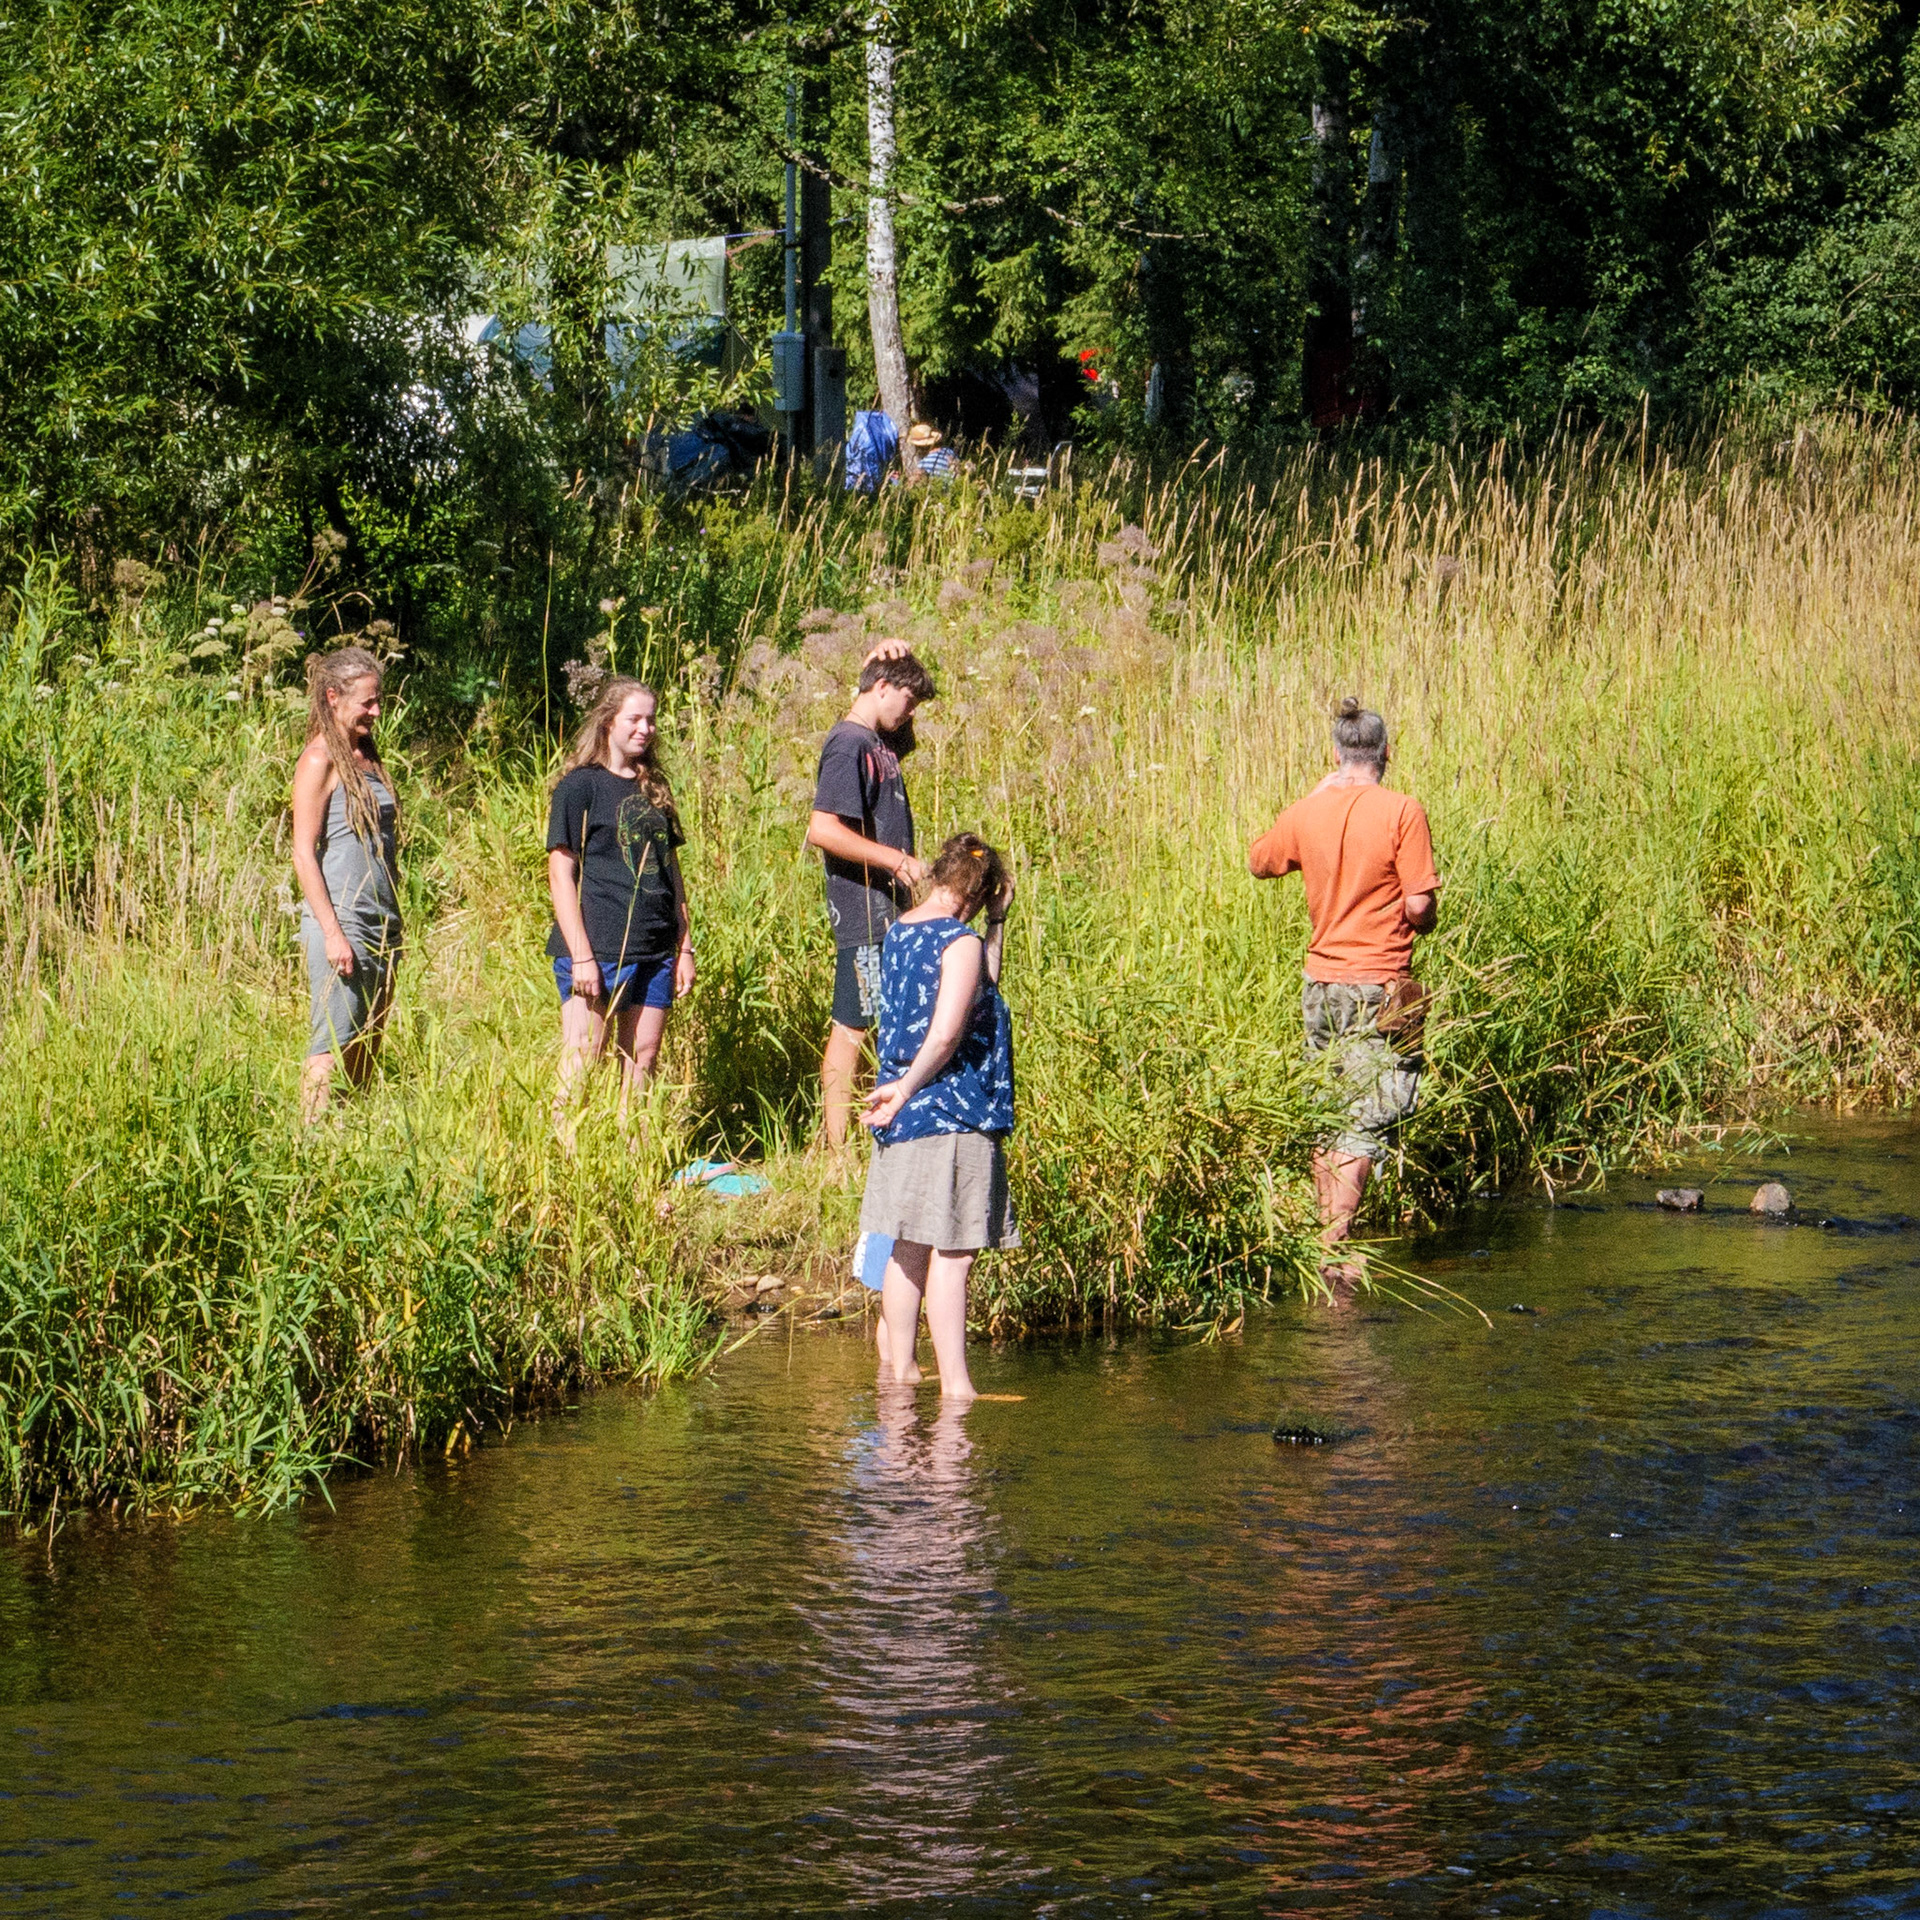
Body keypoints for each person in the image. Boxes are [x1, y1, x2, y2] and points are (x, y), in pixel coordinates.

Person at [1248, 698, 1439, 1283]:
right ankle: (1335, 1248)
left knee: (1327, 1108)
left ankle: (1322, 1240)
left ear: (1336, 754)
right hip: (1380, 984)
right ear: (1386, 753)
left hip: (1320, 983)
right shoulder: (1403, 810)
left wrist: (1310, 801)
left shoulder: (1309, 811)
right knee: (1369, 1112)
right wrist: (1424, 920)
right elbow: (1419, 904)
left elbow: (1260, 861)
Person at [861, 833, 1018, 1402]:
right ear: (979, 893)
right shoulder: (959, 941)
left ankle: (900, 1373)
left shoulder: (901, 931)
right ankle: (957, 1389)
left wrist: (995, 924)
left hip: (902, 1116)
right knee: (954, 1254)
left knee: (907, 1245)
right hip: (952, 1111)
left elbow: (981, 989)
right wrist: (907, 1089)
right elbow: (948, 1033)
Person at [546, 676, 695, 1136]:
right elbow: (561, 874)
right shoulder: (580, 787)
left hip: (655, 949)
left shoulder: (655, 787)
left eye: (651, 719)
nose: (645, 729)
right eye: (635, 719)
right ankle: (561, 1157)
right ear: (608, 721)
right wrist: (582, 956)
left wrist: (684, 946)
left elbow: (671, 872)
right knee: (584, 1057)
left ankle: (635, 1157)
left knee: (643, 1057)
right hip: (598, 948)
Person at [806, 650, 939, 1148]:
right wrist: (896, 861)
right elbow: (822, 829)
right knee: (853, 1026)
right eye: (908, 700)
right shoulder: (848, 743)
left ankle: (862, 1138)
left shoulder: (878, 742)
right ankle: (836, 1149)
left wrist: (883, 652)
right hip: (862, 910)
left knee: (876, 1024)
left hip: (887, 910)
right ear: (881, 687)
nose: (911, 712)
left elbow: (900, 729)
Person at [291, 646, 402, 1126]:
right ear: (333, 697)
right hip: (344, 919)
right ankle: (309, 1145)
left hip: (382, 921)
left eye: (379, 701)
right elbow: (303, 853)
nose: (376, 712)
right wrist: (334, 934)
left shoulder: (367, 757)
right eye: (367, 702)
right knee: (331, 1043)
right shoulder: (319, 759)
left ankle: (352, 1137)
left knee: (366, 1043)